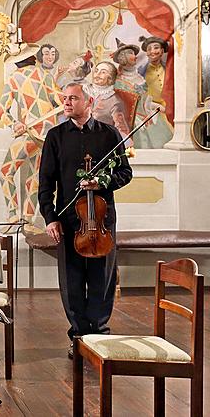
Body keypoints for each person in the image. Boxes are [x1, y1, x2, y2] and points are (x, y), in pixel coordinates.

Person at [38, 82, 132, 359]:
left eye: (73, 98)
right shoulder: (55, 136)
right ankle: (79, 335)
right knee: (72, 280)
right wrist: (49, 218)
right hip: (69, 221)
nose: (67, 103)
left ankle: (99, 335)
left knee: (102, 279)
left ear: (88, 101)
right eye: (64, 99)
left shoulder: (108, 134)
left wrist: (102, 182)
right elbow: (45, 182)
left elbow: (125, 173)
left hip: (101, 219)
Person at [0, 43, 62, 229]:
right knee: (34, 177)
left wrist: (14, 123)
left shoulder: (15, 78)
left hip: (30, 133)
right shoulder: (47, 77)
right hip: (48, 136)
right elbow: (61, 102)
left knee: (5, 172)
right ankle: (28, 220)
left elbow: (1, 112)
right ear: (34, 59)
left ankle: (13, 215)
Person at [83, 61, 133, 141]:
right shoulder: (83, 91)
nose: (98, 74)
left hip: (100, 141)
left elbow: (122, 130)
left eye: (103, 72)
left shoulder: (115, 101)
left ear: (110, 77)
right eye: (96, 71)